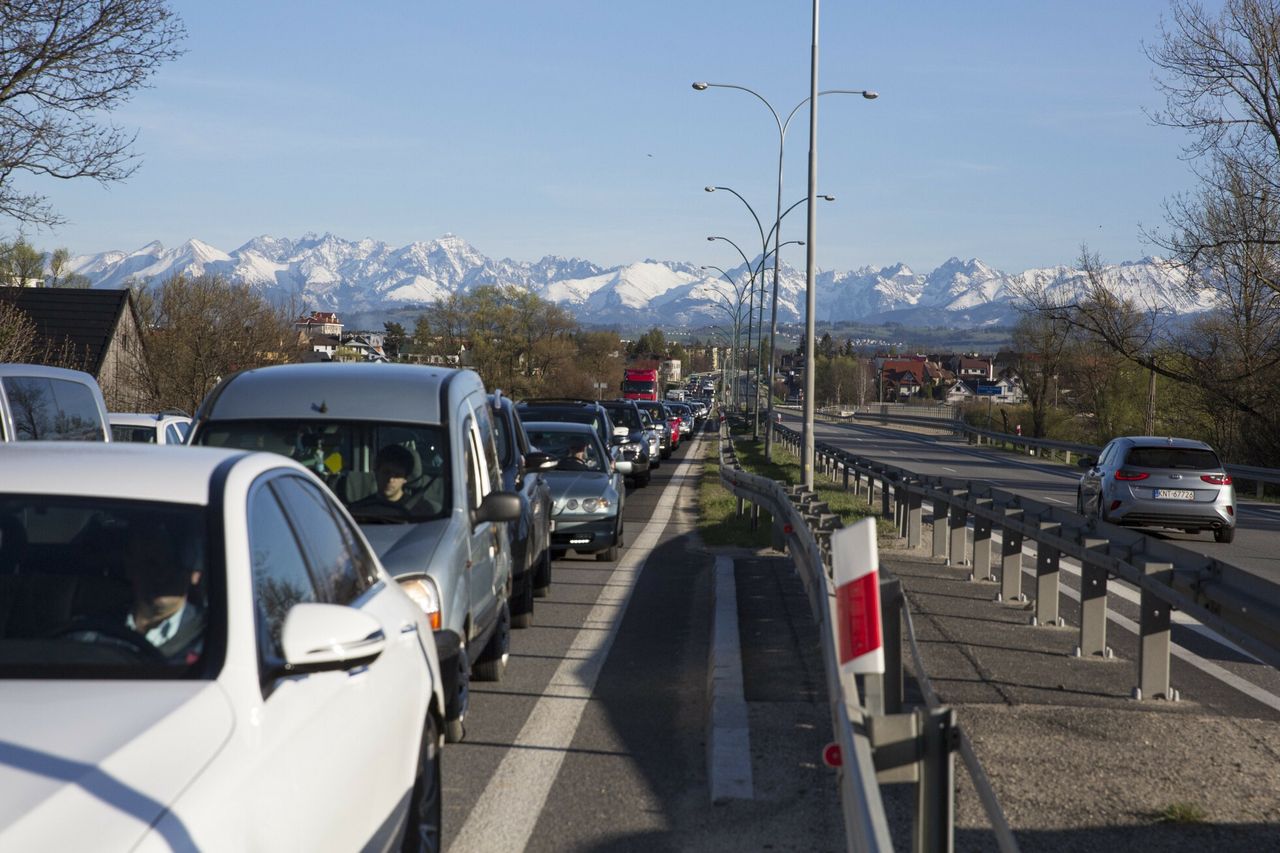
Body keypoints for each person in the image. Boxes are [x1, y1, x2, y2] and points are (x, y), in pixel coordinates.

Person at [123, 529, 206, 664]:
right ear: (130, 567)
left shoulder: (215, 642)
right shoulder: (94, 630)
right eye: (151, 564)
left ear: (195, 573)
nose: (162, 576)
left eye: (174, 566)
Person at [351, 444, 422, 513]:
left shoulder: (422, 510)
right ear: (376, 473)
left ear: (405, 479)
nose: (390, 479)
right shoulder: (359, 510)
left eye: (397, 475)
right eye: (386, 472)